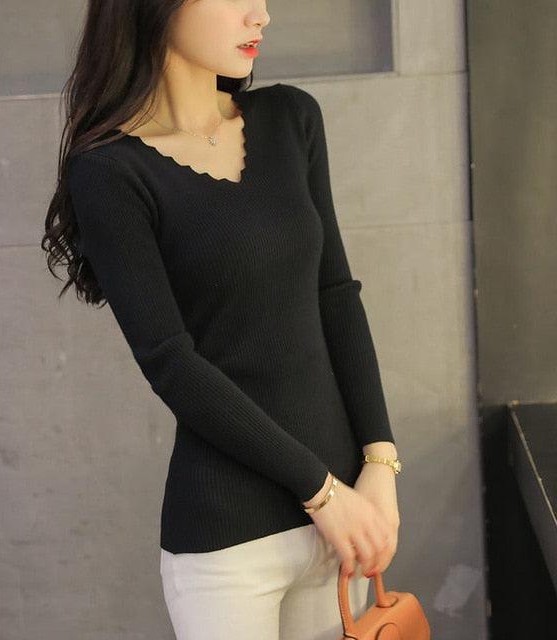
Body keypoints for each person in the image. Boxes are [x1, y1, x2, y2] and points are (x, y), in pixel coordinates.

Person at [43, 2, 400, 639]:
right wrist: (322, 491)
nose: (261, 15)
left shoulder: (290, 118)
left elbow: (335, 295)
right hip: (230, 544)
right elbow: (170, 361)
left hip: (342, 526)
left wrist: (379, 461)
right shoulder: (111, 171)